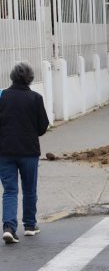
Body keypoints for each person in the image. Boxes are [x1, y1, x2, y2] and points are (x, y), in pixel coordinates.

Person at [0, 63, 49, 244]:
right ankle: (29, 225)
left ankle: (9, 228)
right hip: (28, 151)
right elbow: (43, 127)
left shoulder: (2, 96)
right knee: (29, 189)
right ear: (30, 79)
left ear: (12, 77)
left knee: (10, 191)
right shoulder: (35, 98)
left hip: (4, 151)